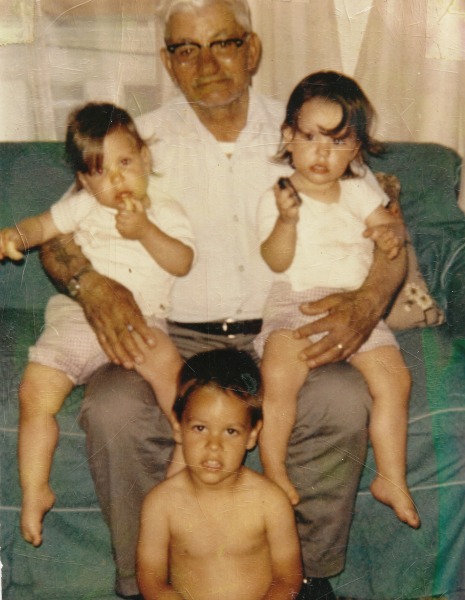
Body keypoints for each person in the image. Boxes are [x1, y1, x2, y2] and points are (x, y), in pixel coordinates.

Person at [39, 0, 408, 597]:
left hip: (281, 325)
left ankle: (307, 577)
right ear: (168, 60)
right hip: (172, 333)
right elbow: (57, 238)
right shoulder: (136, 142)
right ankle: (143, 581)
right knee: (112, 410)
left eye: (224, 43)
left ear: (252, 50)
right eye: (186, 48)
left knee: (340, 397)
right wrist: (92, 285)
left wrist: (367, 305)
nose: (206, 62)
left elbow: (391, 235)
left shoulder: (305, 132)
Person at [0, 102, 195, 547]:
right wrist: (15, 236)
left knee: (177, 390)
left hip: (142, 322)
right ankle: (35, 490)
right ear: (85, 181)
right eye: (101, 172)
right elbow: (43, 226)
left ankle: (184, 464)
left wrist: (144, 229)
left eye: (125, 163)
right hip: (81, 318)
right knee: (35, 391)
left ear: (145, 159)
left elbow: (181, 261)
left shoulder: (164, 211)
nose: (117, 179)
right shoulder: (82, 205)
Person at [253, 71, 420, 530]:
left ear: (357, 148)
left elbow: (385, 226)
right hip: (296, 301)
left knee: (395, 379)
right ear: (289, 137)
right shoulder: (281, 195)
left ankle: (390, 476)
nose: (322, 152)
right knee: (279, 373)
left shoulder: (360, 186)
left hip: (354, 305)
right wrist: (286, 223)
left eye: (338, 140)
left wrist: (389, 236)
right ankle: (274, 469)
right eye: (310, 137)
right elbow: (274, 258)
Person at [136, 348, 303, 600]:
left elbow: (287, 579)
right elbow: (152, 582)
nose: (214, 445)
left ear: (252, 435)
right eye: (200, 428)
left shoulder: (270, 501)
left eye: (231, 431)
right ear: (178, 428)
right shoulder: (161, 504)